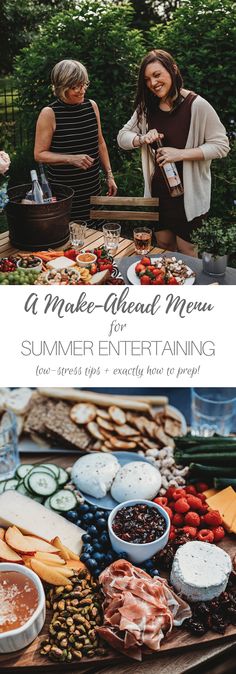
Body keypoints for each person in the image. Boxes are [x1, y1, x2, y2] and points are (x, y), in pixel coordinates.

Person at [117, 50, 229, 256]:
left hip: (190, 195)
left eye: (157, 75)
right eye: (147, 79)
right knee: (164, 246)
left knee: (187, 251)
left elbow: (221, 145)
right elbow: (122, 137)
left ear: (173, 70)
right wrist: (142, 138)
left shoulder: (197, 105)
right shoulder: (147, 107)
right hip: (161, 191)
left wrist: (180, 154)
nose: (153, 82)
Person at [34, 59, 117, 226]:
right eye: (75, 87)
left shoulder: (91, 106)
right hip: (66, 195)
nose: (82, 90)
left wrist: (109, 174)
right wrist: (71, 158)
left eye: (84, 84)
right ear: (62, 88)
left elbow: (100, 142)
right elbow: (39, 154)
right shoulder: (49, 113)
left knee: (96, 238)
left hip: (92, 189)